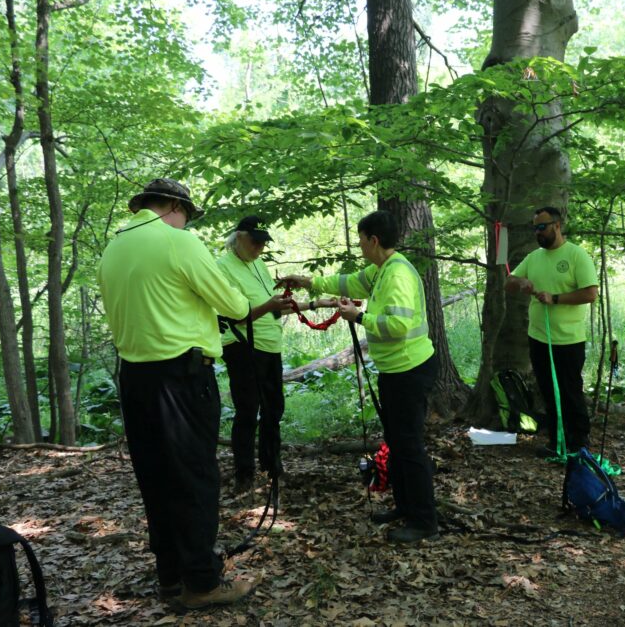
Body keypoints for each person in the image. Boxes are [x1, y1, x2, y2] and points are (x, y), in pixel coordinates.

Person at [97, 179, 290, 609]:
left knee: (157, 479)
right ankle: (201, 582)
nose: (186, 223)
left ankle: (170, 576)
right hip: (181, 378)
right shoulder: (177, 242)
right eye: (186, 215)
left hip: (134, 379)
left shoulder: (113, 250)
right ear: (172, 206)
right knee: (195, 478)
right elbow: (236, 307)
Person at [279, 210, 439, 544]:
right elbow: (349, 282)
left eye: (362, 239)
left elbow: (399, 326)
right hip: (396, 370)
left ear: (373, 240)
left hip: (409, 371)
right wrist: (308, 281)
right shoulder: (380, 270)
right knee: (396, 442)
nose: (361, 246)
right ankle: (405, 506)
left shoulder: (397, 275)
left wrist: (360, 316)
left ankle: (425, 521)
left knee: (409, 446)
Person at [217, 215, 303, 492]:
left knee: (274, 407)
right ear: (238, 237)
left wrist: (313, 303)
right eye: (255, 242)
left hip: (270, 344)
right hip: (242, 346)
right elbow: (236, 315)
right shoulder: (222, 268)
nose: (259, 249)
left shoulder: (259, 265)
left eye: (263, 244)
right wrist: (269, 306)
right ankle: (244, 473)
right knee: (247, 409)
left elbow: (274, 307)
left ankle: (271, 464)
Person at [505, 206, 598, 456]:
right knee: (547, 390)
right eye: (534, 228)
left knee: (570, 391)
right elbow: (509, 282)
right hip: (539, 338)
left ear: (557, 226)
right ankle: (557, 442)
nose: (538, 233)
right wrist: (520, 282)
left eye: (542, 227)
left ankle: (579, 443)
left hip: (568, 340)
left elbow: (590, 293)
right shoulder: (534, 257)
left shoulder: (577, 256)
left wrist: (555, 299)